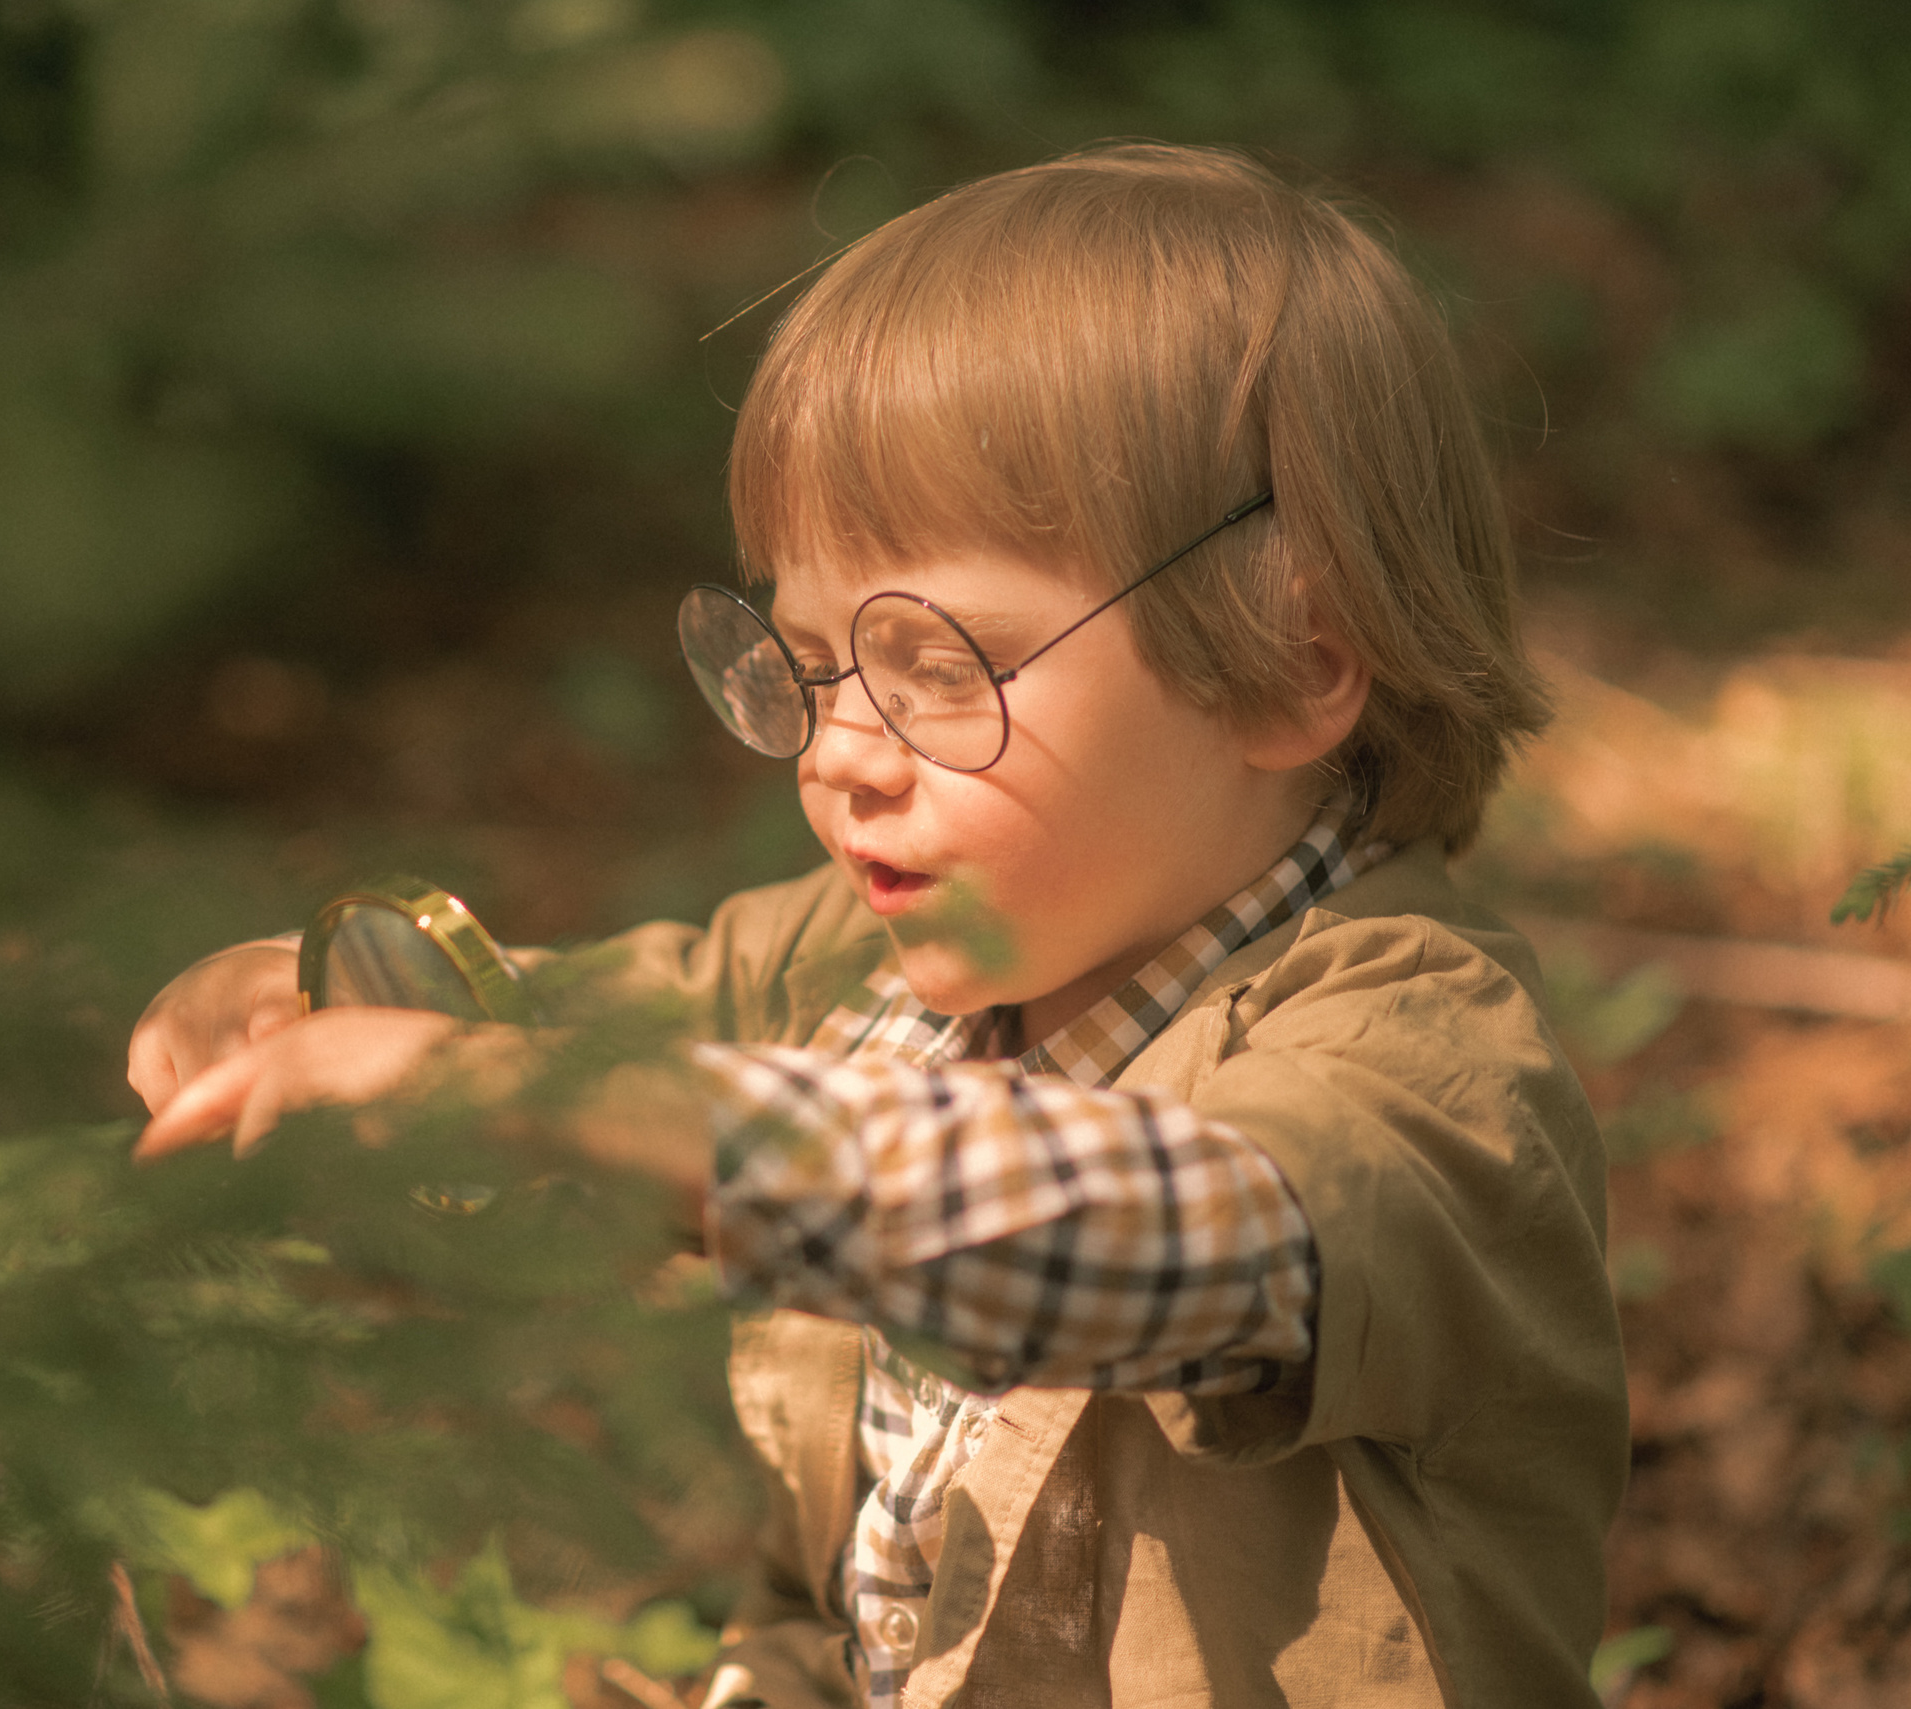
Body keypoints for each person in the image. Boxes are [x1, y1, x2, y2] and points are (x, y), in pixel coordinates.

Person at [128, 144, 1628, 1709]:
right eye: (809, 663)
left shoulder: (1423, 1056)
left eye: (939, 664)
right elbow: (523, 1030)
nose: (841, 750)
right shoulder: (841, 974)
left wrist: (589, 1103)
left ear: (1293, 662)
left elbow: (1146, 1233)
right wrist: (292, 1003)